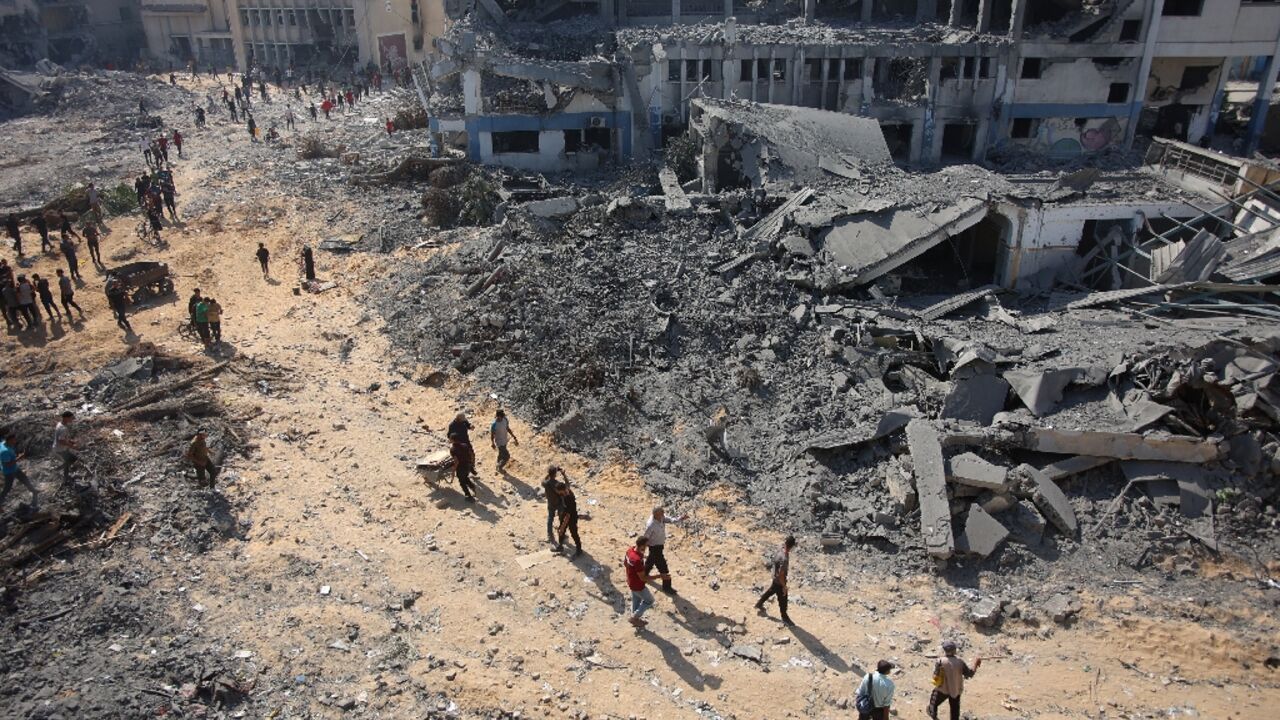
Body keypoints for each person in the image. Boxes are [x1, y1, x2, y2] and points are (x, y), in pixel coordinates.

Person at [928, 641, 981, 720]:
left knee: (933, 704)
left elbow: (935, 676)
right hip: (956, 690)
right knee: (955, 712)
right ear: (954, 651)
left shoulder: (940, 661)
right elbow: (970, 674)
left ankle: (934, 716)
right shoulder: (960, 662)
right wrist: (975, 664)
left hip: (942, 689)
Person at [755, 534, 796, 626]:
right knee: (783, 601)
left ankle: (759, 603)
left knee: (770, 591)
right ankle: (784, 617)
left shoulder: (780, 549)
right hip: (780, 582)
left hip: (775, 578)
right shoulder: (784, 558)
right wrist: (784, 586)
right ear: (792, 546)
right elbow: (781, 574)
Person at [643, 506, 683, 594]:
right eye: (661, 512)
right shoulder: (651, 525)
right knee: (663, 568)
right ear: (656, 514)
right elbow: (645, 537)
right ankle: (667, 587)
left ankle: (643, 575)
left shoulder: (661, 518)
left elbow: (670, 520)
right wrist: (642, 549)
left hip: (659, 546)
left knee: (650, 561)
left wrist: (680, 519)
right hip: (654, 547)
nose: (663, 513)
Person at [0, 428, 39, 509]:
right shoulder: (5, 451)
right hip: (9, 472)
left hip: (15, 469)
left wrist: (17, 457)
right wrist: (20, 457)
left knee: (25, 479)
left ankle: (33, 491)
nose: (15, 441)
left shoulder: (4, 443)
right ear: (10, 440)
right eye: (14, 440)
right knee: (7, 488)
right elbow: (7, 464)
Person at [624, 536, 657, 628]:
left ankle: (635, 620)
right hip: (638, 585)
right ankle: (634, 618)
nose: (647, 547)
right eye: (646, 545)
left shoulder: (630, 551)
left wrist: (629, 575)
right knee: (649, 601)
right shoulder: (637, 560)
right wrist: (659, 576)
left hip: (631, 581)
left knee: (636, 599)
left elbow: (625, 564)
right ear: (642, 546)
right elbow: (643, 578)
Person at [554, 482, 581, 556]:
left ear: (561, 490)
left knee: (573, 533)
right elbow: (567, 483)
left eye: (558, 491)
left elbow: (568, 515)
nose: (557, 492)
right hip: (566, 514)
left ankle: (579, 549)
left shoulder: (568, 497)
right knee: (561, 531)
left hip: (571, 517)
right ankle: (560, 546)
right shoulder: (567, 491)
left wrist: (563, 526)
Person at [542, 465, 566, 544]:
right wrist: (563, 474)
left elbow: (544, 480)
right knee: (561, 518)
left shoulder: (545, 483)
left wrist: (549, 474)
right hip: (559, 503)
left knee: (550, 518)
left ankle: (550, 534)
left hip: (551, 503)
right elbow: (566, 488)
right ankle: (561, 532)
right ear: (555, 474)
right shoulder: (557, 483)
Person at [52, 411, 78, 484]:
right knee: (73, 459)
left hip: (58, 448)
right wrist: (72, 446)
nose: (72, 419)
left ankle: (65, 476)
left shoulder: (59, 424)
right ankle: (60, 470)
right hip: (60, 449)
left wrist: (70, 441)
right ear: (66, 418)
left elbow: (62, 438)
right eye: (71, 418)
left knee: (68, 460)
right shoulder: (63, 428)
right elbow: (61, 440)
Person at [450, 435, 477, 501]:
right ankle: (472, 486)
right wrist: (472, 463)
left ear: (452, 440)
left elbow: (456, 461)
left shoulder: (453, 449)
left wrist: (453, 470)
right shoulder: (465, 445)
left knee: (462, 482)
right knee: (465, 477)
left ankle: (468, 495)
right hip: (467, 465)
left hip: (460, 467)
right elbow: (471, 454)